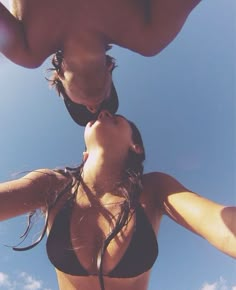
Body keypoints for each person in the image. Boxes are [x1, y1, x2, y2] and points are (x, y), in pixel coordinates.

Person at [0, 110, 235, 290]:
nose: (103, 112)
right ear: (85, 154)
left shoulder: (153, 189)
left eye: (117, 117)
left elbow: (219, 224)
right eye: (101, 115)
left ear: (137, 147)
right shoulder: (51, 184)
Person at [0, 0, 202, 125]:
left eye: (80, 108)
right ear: (109, 68)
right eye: (106, 102)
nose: (94, 109)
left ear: (60, 77)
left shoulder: (28, 49)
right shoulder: (146, 35)